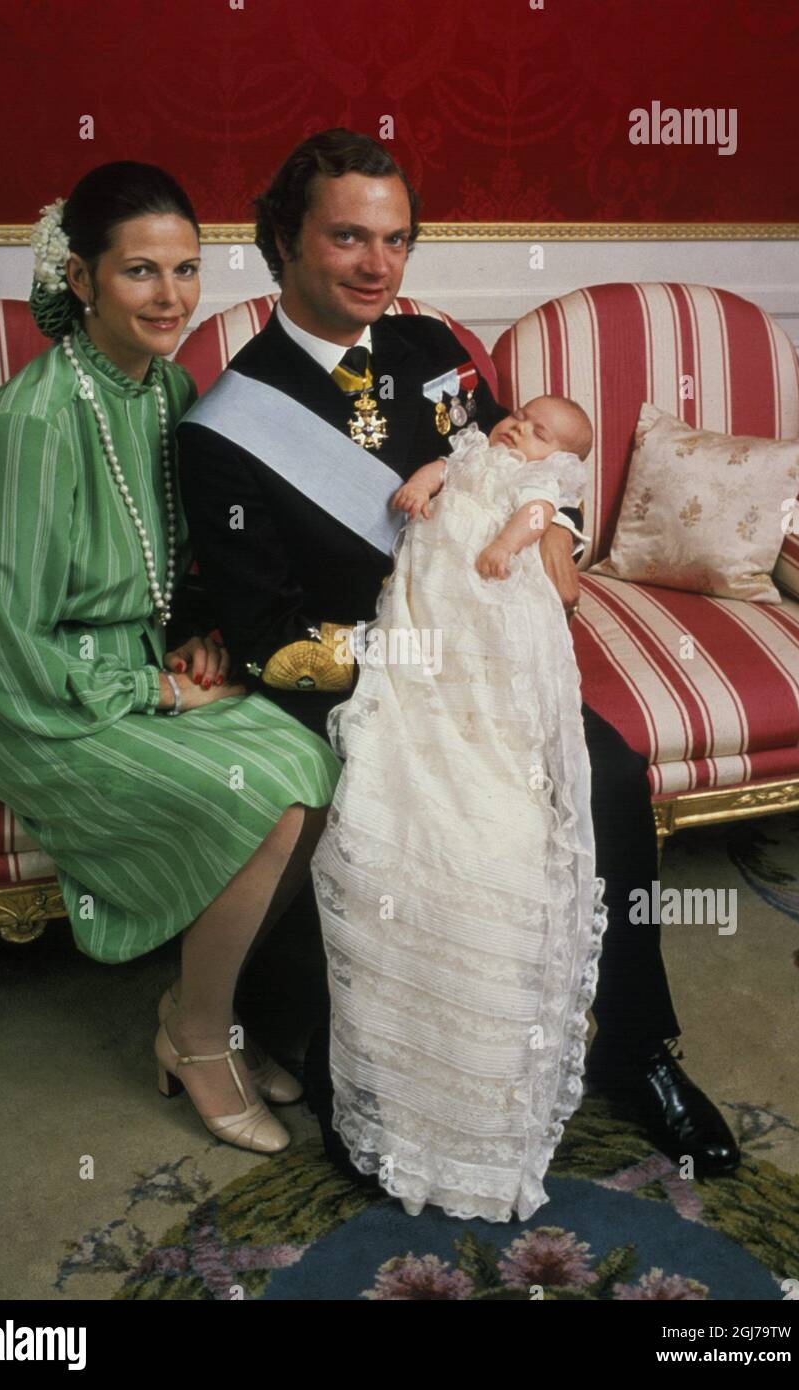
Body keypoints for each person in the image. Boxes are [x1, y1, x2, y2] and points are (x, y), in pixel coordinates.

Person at [177, 128, 740, 1186]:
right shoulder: (224, 425)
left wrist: (559, 544)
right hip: (370, 673)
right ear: (281, 245)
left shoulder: (433, 347)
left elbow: (528, 473)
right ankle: (380, 1070)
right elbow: (268, 640)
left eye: (394, 240)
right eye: (347, 237)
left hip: (485, 649)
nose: (376, 265)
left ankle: (633, 1046)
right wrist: (419, 662)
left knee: (608, 774)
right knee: (428, 818)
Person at [0, 162, 342, 1157]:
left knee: (325, 757)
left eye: (187, 269)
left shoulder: (168, 388)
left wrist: (190, 637)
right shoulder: (32, 422)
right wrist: (153, 687)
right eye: (139, 273)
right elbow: (7, 641)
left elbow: (173, 551)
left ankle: (206, 1006)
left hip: (129, 665)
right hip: (29, 700)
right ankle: (199, 1037)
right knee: (278, 792)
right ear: (81, 281)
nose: (171, 297)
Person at [310, 397, 609, 1221]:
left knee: (555, 785)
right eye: (523, 418)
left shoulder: (436, 365)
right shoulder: (472, 446)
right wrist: (420, 482)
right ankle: (379, 1059)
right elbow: (442, 468)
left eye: (542, 431)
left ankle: (628, 1043)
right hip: (396, 601)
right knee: (397, 798)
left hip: (488, 595)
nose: (520, 429)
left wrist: (530, 537)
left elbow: (545, 511)